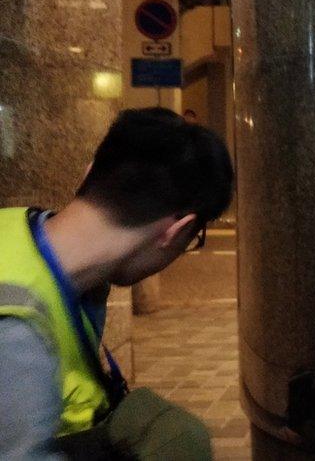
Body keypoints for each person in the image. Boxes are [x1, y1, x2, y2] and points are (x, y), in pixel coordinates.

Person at [0, 107, 234, 458]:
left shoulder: (18, 229)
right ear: (176, 230)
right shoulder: (17, 333)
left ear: (88, 172)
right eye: (194, 238)